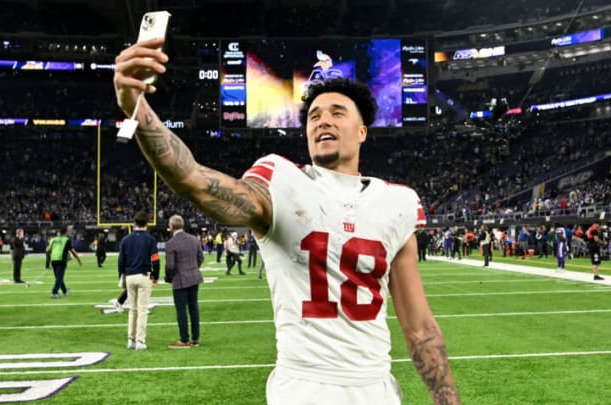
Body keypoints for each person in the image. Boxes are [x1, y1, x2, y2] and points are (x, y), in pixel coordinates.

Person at [114, 42, 459, 404]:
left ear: (362, 131)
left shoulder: (396, 202)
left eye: (338, 112)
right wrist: (136, 108)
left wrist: (447, 400)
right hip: (304, 389)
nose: (323, 119)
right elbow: (194, 181)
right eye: (313, 116)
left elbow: (419, 327)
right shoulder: (280, 180)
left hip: (377, 389)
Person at [118, 211, 160, 350]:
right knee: (142, 310)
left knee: (132, 309)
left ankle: (131, 339)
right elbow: (155, 260)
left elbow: (121, 261)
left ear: (134, 223)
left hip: (129, 276)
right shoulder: (150, 240)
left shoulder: (125, 240)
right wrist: (156, 276)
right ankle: (140, 340)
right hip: (143, 275)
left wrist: (122, 277)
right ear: (147, 224)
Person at [164, 214, 204, 348]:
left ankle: (184, 339)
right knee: (194, 308)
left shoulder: (171, 243)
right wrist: (193, 269)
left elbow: (170, 266)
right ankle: (195, 338)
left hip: (180, 279)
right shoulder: (194, 239)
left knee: (181, 310)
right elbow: (200, 257)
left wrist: (168, 278)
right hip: (194, 277)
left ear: (171, 227)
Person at [46, 226, 82, 298]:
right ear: (66, 232)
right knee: (59, 278)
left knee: (58, 277)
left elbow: (47, 250)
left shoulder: (53, 239)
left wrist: (53, 254)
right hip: (61, 260)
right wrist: (78, 259)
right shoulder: (66, 240)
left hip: (53, 260)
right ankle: (54, 292)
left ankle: (65, 290)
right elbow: (72, 251)